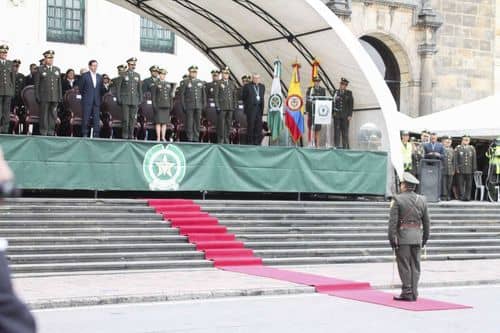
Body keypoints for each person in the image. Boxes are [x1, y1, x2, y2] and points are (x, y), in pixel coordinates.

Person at [388, 172, 430, 302]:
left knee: (404, 265)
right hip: (417, 236)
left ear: (405, 185)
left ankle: (407, 291)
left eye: (401, 184)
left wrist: (391, 239)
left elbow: (393, 223)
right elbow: (427, 221)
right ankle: (414, 292)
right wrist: (425, 238)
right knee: (415, 266)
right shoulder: (422, 200)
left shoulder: (397, 199)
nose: (400, 186)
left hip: (403, 237)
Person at [34, 50, 62, 136]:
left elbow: (59, 85)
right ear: (45, 59)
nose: (50, 60)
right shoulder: (40, 69)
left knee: (53, 115)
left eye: (52, 58)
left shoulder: (57, 69)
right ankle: (43, 131)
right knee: (44, 115)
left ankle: (51, 131)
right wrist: (37, 96)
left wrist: (60, 96)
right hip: (44, 96)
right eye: (48, 58)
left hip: (54, 96)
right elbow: (37, 84)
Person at [116, 57, 142, 139]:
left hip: (134, 100)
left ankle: (131, 135)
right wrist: (119, 98)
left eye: (134, 65)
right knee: (125, 119)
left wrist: (140, 98)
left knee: (132, 119)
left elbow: (139, 89)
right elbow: (119, 88)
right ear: (128, 65)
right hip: (125, 100)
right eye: (131, 64)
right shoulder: (123, 74)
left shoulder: (137, 75)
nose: (133, 66)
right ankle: (125, 135)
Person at [180, 65, 205, 142]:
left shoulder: (200, 82)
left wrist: (203, 105)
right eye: (192, 72)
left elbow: (203, 95)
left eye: (195, 72)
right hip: (189, 105)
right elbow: (182, 95)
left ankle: (196, 137)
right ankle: (190, 138)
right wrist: (184, 105)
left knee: (197, 122)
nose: (194, 74)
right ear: (189, 72)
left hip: (198, 105)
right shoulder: (185, 82)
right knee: (189, 122)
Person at [79, 60, 102, 138]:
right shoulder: (85, 76)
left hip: (96, 100)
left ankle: (96, 133)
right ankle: (85, 133)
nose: (95, 67)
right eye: (93, 65)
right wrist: (86, 97)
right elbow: (81, 89)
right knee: (86, 117)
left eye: (96, 66)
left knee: (96, 118)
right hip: (87, 100)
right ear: (89, 66)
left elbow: (100, 89)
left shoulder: (99, 76)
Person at [214, 67, 237, 144]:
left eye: (227, 73)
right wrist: (217, 106)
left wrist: (235, 105)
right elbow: (216, 95)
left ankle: (226, 138)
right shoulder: (218, 83)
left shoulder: (231, 83)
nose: (226, 75)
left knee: (228, 123)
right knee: (221, 124)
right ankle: (221, 138)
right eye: (224, 73)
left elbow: (234, 95)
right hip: (222, 107)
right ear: (222, 74)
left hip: (230, 107)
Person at [241, 73, 265, 145]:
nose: (256, 79)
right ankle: (249, 142)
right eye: (255, 78)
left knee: (258, 126)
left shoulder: (262, 86)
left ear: (259, 79)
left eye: (258, 78)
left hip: (259, 108)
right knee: (251, 126)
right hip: (251, 109)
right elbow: (244, 97)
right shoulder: (247, 86)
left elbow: (261, 96)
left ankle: (257, 142)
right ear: (252, 78)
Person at [151, 68, 172, 142]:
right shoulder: (155, 84)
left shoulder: (168, 84)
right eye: (161, 74)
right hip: (159, 106)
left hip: (166, 105)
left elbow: (170, 96)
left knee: (164, 123)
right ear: (159, 75)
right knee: (158, 122)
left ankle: (163, 137)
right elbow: (153, 96)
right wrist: (154, 105)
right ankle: (158, 137)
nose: (163, 76)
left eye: (164, 74)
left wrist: (171, 105)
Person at [306, 76, 327, 147]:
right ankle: (312, 144)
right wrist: (307, 111)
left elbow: (324, 100)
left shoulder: (323, 90)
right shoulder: (310, 89)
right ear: (314, 82)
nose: (317, 83)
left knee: (318, 128)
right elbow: (307, 100)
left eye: (318, 81)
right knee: (312, 128)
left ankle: (317, 145)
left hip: (319, 112)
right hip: (312, 111)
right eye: (315, 81)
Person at [333, 77, 353, 149]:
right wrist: (333, 113)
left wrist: (350, 115)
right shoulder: (335, 92)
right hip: (337, 115)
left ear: (346, 86)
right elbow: (333, 103)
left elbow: (351, 105)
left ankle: (345, 147)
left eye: (344, 85)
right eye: (341, 84)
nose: (342, 86)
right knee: (337, 132)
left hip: (345, 116)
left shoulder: (349, 93)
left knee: (345, 132)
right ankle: (336, 146)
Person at [455, 135, 477, 201]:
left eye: (467, 140)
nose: (466, 141)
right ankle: (462, 197)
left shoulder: (472, 148)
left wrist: (474, 168)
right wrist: (457, 168)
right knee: (460, 184)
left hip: (469, 169)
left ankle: (468, 197)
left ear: (469, 141)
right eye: (465, 139)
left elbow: (474, 159)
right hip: (461, 169)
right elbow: (456, 159)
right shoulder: (458, 148)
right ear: (462, 140)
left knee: (469, 184)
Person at [0, 45, 15, 134]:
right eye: (2, 52)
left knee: (6, 111)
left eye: (5, 53)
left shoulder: (10, 63)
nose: (4, 54)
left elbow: (12, 78)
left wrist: (12, 90)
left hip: (8, 90)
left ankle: (5, 129)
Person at [441, 135, 456, 201]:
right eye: (447, 142)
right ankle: (444, 196)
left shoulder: (452, 150)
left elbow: (454, 161)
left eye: (449, 142)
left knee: (449, 183)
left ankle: (448, 195)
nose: (448, 143)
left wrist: (453, 169)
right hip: (443, 169)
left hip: (450, 170)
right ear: (443, 142)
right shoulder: (441, 149)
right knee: (443, 183)